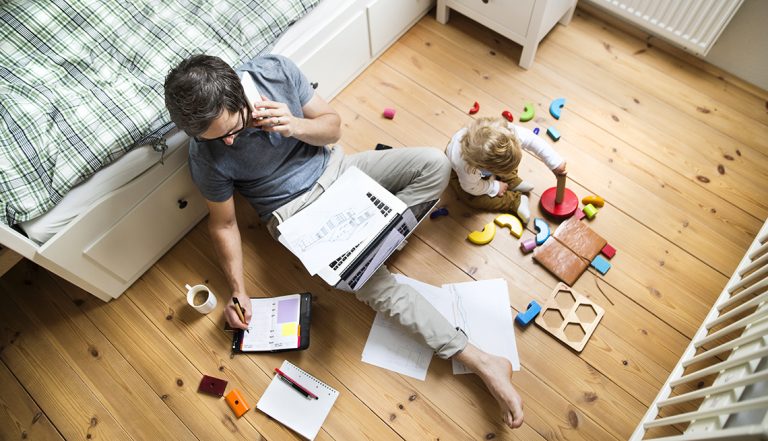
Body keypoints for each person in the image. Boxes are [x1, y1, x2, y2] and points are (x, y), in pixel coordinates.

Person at [164, 54, 524, 428]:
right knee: (368, 282)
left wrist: (295, 126)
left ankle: (370, 246)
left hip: (340, 171)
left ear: (239, 93)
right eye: (218, 138)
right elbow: (223, 224)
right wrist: (238, 289)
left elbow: (333, 128)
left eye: (232, 128)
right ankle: (479, 359)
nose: (230, 140)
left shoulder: (272, 72)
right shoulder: (205, 154)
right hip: (296, 214)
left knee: (435, 164)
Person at [446, 116, 566, 223]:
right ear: (488, 169)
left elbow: (532, 140)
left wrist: (555, 162)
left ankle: (511, 180)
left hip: (486, 163)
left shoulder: (507, 133)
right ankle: (514, 202)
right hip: (462, 176)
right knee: (470, 198)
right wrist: (494, 187)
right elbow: (471, 188)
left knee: (508, 161)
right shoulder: (467, 169)